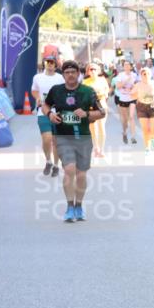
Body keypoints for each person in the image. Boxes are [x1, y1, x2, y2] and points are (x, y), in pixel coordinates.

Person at [43, 60, 104, 222]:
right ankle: (70, 207)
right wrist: (50, 114)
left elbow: (102, 112)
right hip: (63, 137)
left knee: (81, 174)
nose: (70, 75)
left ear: (78, 74)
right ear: (63, 75)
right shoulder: (56, 91)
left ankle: (79, 206)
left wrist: (87, 114)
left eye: (73, 72)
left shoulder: (88, 91)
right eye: (67, 72)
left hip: (83, 137)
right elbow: (45, 105)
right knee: (69, 170)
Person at [31, 56, 65, 176]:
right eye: (48, 62)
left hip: (57, 112)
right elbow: (34, 90)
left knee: (56, 141)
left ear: (56, 65)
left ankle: (56, 165)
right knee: (47, 138)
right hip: (43, 111)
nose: (50, 64)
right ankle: (48, 161)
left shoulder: (60, 78)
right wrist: (38, 98)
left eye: (52, 63)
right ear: (44, 63)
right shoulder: (38, 77)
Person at [82, 63, 110, 158]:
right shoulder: (85, 82)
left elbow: (107, 92)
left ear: (98, 71)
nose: (93, 71)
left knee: (101, 127)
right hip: (90, 107)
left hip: (101, 105)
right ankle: (96, 148)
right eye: (90, 69)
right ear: (88, 71)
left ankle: (101, 149)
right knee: (93, 129)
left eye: (94, 69)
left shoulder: (102, 80)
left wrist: (103, 94)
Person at [134, 67, 154, 151]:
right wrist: (138, 96)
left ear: (151, 74)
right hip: (142, 107)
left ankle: (153, 138)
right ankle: (147, 147)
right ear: (141, 75)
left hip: (152, 106)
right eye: (144, 74)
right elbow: (132, 95)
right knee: (145, 129)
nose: (146, 75)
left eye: (148, 73)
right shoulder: (138, 85)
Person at [114, 60, 138, 144]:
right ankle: (124, 132)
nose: (127, 66)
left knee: (131, 117)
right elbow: (117, 86)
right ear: (123, 67)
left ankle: (133, 137)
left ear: (131, 67)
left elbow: (137, 85)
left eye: (128, 65)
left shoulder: (134, 75)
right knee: (124, 120)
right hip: (123, 99)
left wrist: (133, 87)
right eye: (125, 65)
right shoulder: (120, 75)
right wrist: (126, 80)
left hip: (132, 98)